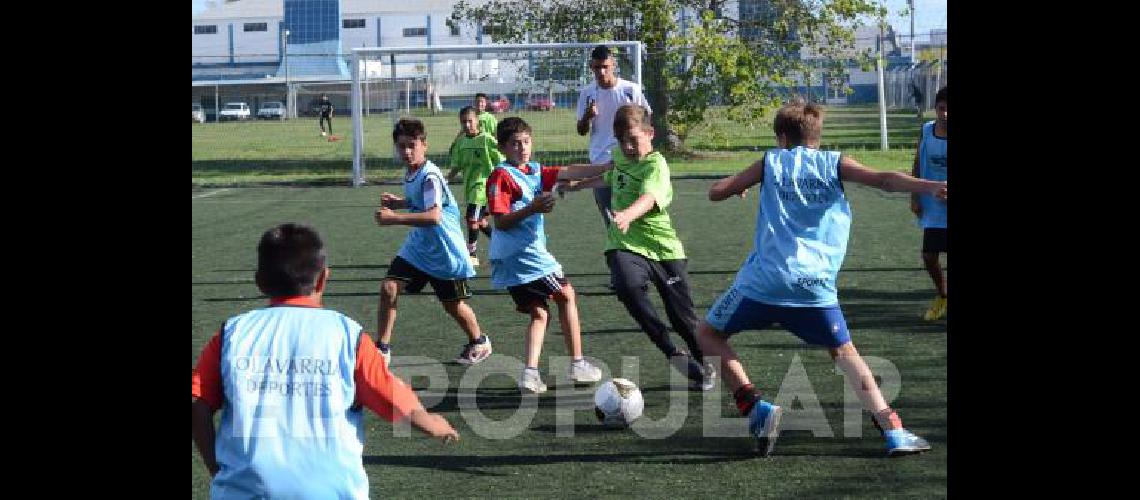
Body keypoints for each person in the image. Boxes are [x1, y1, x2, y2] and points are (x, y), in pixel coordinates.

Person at [695, 100, 946, 457]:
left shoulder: (770, 161)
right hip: (814, 288)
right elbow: (885, 180)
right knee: (843, 351)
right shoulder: (834, 163)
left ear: (782, 136)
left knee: (707, 333)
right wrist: (930, 186)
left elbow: (715, 191)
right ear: (817, 135)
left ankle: (753, 405)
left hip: (763, 283)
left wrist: (739, 185)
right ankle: (893, 430)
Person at [191, 223, 458, 499]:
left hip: (244, 490)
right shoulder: (346, 334)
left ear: (259, 281)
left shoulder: (233, 333)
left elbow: (197, 403)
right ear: (323, 279)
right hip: (331, 490)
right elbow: (389, 396)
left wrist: (218, 467)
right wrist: (430, 423)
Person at [560, 104, 714, 391]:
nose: (628, 147)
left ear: (650, 133)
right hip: (625, 243)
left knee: (684, 320)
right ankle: (671, 351)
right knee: (626, 286)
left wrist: (627, 215)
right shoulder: (619, 156)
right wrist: (576, 184)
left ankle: (707, 365)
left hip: (664, 249)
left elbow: (648, 197)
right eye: (622, 141)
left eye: (634, 139)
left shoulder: (656, 165)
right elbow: (609, 175)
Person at [484, 116, 609, 393]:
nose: (522, 148)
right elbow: (500, 221)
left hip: (514, 257)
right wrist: (533, 209)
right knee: (566, 295)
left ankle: (529, 374)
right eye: (515, 143)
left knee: (540, 313)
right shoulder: (501, 176)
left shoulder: (534, 171)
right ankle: (577, 363)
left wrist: (605, 167)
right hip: (523, 255)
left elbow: (568, 171)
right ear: (503, 148)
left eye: (526, 141)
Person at [374, 118, 492, 366]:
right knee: (389, 287)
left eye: (412, 145)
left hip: (444, 252)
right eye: (401, 146)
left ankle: (479, 341)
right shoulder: (413, 172)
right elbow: (421, 202)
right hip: (418, 249)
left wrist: (394, 218)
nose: (406, 151)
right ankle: (382, 349)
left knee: (452, 305)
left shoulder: (430, 176)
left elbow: (434, 216)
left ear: (424, 145)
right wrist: (400, 203)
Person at [575, 44, 652, 228]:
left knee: (636, 216)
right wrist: (587, 116)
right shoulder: (587, 93)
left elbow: (647, 119)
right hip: (601, 163)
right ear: (591, 67)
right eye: (596, 67)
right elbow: (581, 130)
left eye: (605, 67)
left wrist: (645, 151)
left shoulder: (630, 90)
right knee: (611, 220)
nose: (601, 72)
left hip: (630, 161)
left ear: (613, 65)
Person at [447, 106, 506, 269]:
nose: (467, 125)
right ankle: (503, 244)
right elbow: (457, 166)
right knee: (480, 222)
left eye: (470, 121)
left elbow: (502, 161)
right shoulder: (461, 143)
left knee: (471, 218)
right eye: (463, 122)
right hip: (470, 187)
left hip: (485, 188)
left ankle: (471, 255)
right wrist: (445, 181)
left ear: (477, 121)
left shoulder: (487, 140)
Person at [912, 86, 948, 320]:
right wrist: (914, 194)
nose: (945, 114)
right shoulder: (926, 131)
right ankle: (943, 295)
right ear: (935, 109)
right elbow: (917, 162)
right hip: (934, 206)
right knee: (929, 256)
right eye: (942, 109)